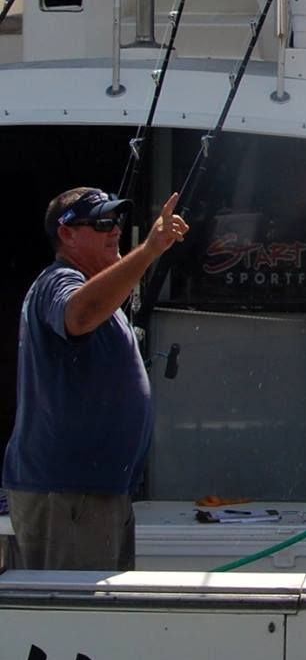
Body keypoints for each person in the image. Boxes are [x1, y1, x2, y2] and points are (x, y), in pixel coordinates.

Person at [4, 186, 189, 572]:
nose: (115, 230)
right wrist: (150, 250)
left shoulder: (100, 292)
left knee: (101, 622)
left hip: (99, 493)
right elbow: (79, 315)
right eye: (102, 222)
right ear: (67, 234)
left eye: (117, 221)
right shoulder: (58, 281)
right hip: (70, 494)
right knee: (73, 625)